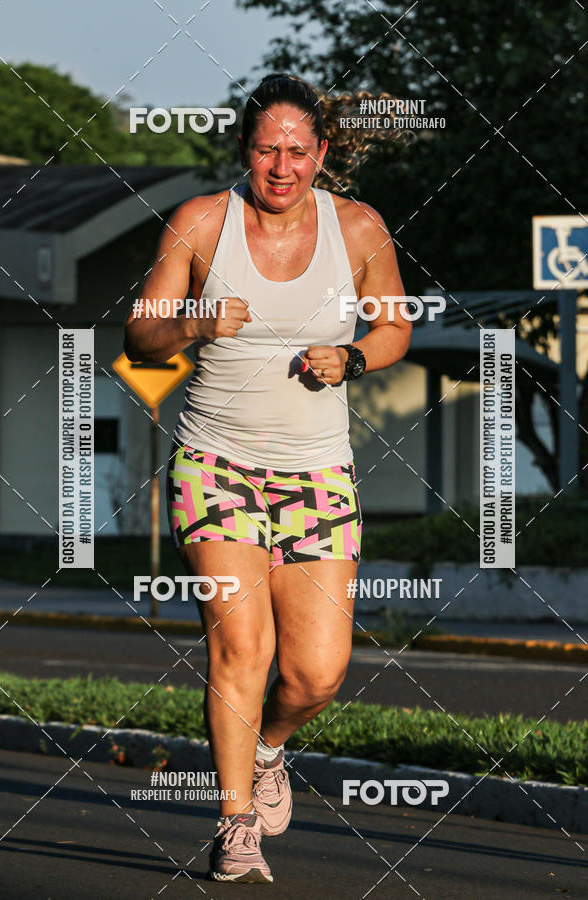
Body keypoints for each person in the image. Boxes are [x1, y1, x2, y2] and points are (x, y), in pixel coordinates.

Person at [124, 73, 411, 884]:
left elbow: (392, 328)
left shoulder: (356, 227)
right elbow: (141, 335)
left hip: (318, 473)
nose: (280, 166)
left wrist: (352, 357)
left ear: (321, 152)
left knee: (316, 672)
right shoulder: (202, 222)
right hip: (216, 466)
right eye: (264, 149)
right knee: (240, 649)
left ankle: (269, 751)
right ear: (243, 149)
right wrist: (197, 321)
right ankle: (235, 820)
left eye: (296, 150)